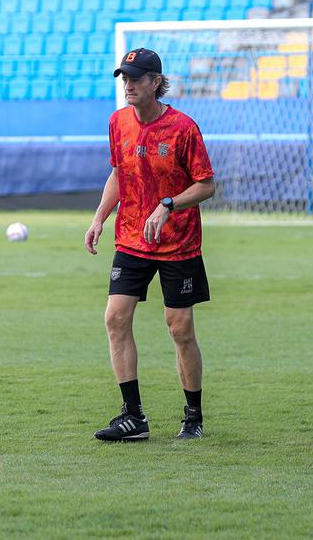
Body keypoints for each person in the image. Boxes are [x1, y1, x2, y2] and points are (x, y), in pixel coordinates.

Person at [84, 48, 216, 441]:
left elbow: (206, 185)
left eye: (136, 79)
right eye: (124, 78)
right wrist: (99, 217)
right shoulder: (118, 122)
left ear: (155, 82)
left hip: (178, 243)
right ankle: (133, 417)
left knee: (180, 328)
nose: (128, 85)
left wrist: (169, 204)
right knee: (115, 318)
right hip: (131, 238)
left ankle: (193, 416)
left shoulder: (183, 128)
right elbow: (118, 174)